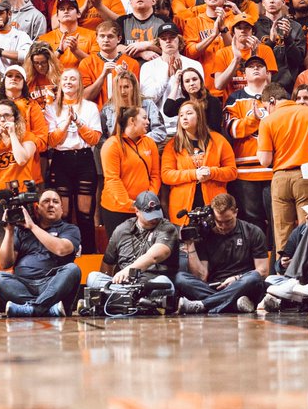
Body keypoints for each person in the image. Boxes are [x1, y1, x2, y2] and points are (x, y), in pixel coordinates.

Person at [0, 187, 82, 316]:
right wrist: (9, 231)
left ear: (61, 209)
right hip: (24, 285)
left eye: (55, 202)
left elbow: (61, 249)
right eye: (46, 201)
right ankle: (45, 308)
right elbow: (5, 263)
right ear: (37, 208)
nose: (51, 205)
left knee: (72, 269)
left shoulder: (70, 229)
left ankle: (32, 309)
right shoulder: (21, 230)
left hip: (52, 284)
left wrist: (33, 226)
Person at [174, 192, 270, 314]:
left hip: (242, 284)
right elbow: (201, 276)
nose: (223, 226)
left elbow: (263, 271)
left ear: (236, 212)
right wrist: (190, 245)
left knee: (254, 278)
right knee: (180, 278)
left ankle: (204, 304)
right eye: (219, 222)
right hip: (215, 286)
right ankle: (233, 304)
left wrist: (236, 279)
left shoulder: (253, 232)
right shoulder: (206, 235)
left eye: (228, 221)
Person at [256, 82, 308, 252]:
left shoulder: (268, 121)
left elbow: (264, 160)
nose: (267, 111)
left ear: (272, 101)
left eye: (266, 107)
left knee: (282, 233)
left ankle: (282, 275)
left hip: (280, 179)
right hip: (306, 176)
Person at [86, 189, 178, 294]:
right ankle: (128, 295)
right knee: (93, 277)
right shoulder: (122, 230)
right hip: (124, 284)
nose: (154, 219)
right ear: (137, 211)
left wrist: (128, 270)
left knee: (165, 282)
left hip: (151, 283)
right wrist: (107, 286)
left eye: (156, 214)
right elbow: (108, 262)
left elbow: (155, 256)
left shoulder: (166, 227)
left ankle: (122, 295)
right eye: (149, 215)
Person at [99, 106, 162, 234]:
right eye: (144, 118)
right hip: (117, 210)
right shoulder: (112, 145)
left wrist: (148, 201)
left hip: (145, 210)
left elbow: (155, 175)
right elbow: (112, 179)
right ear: (132, 121)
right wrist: (131, 204)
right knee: (121, 251)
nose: (148, 122)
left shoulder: (150, 143)